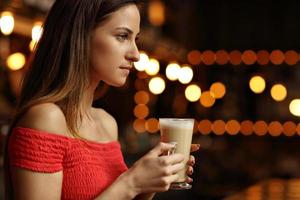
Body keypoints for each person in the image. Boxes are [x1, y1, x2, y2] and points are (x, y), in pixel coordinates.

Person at [4, 0, 200, 199]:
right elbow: (123, 189)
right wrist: (131, 182)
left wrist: (148, 184)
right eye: (122, 36)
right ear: (80, 35)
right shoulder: (46, 118)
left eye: (136, 40)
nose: (136, 55)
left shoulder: (107, 123)